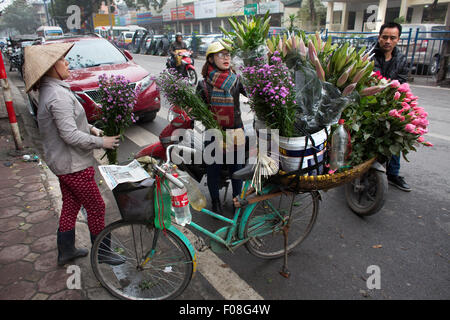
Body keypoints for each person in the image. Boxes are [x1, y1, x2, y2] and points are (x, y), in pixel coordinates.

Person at [23, 43, 123, 266]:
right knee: (97, 207)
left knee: (70, 205)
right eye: (62, 60)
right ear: (50, 67)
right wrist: (101, 142)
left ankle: (66, 251)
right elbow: (69, 135)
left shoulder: (54, 90)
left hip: (62, 163)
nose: (67, 62)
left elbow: (70, 122)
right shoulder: (57, 96)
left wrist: (91, 128)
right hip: (72, 165)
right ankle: (103, 252)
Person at [196, 42, 246, 213]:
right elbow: (197, 111)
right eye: (220, 55)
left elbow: (253, 93)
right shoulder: (203, 85)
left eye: (228, 55)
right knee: (213, 170)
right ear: (210, 59)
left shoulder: (236, 79)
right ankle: (215, 201)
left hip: (235, 130)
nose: (226, 58)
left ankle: (236, 201)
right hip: (214, 132)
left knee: (237, 170)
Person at [372, 22, 411, 192]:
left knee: (397, 134)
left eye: (392, 38)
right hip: (371, 102)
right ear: (379, 37)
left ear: (398, 40)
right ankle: (361, 172)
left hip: (392, 102)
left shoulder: (401, 59)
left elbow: (402, 82)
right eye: (384, 37)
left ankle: (393, 174)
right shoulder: (370, 55)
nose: (388, 41)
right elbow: (372, 80)